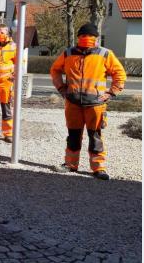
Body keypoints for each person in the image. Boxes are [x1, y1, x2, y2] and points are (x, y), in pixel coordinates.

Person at [50, 23, 127, 180]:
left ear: (96, 39)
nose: (86, 39)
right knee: (73, 135)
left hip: (96, 104)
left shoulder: (105, 54)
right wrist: (61, 88)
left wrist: (112, 92)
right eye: (83, 36)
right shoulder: (68, 53)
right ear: (78, 38)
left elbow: (120, 73)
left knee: (95, 136)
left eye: (90, 37)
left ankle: (99, 168)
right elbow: (55, 70)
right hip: (73, 103)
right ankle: (71, 165)